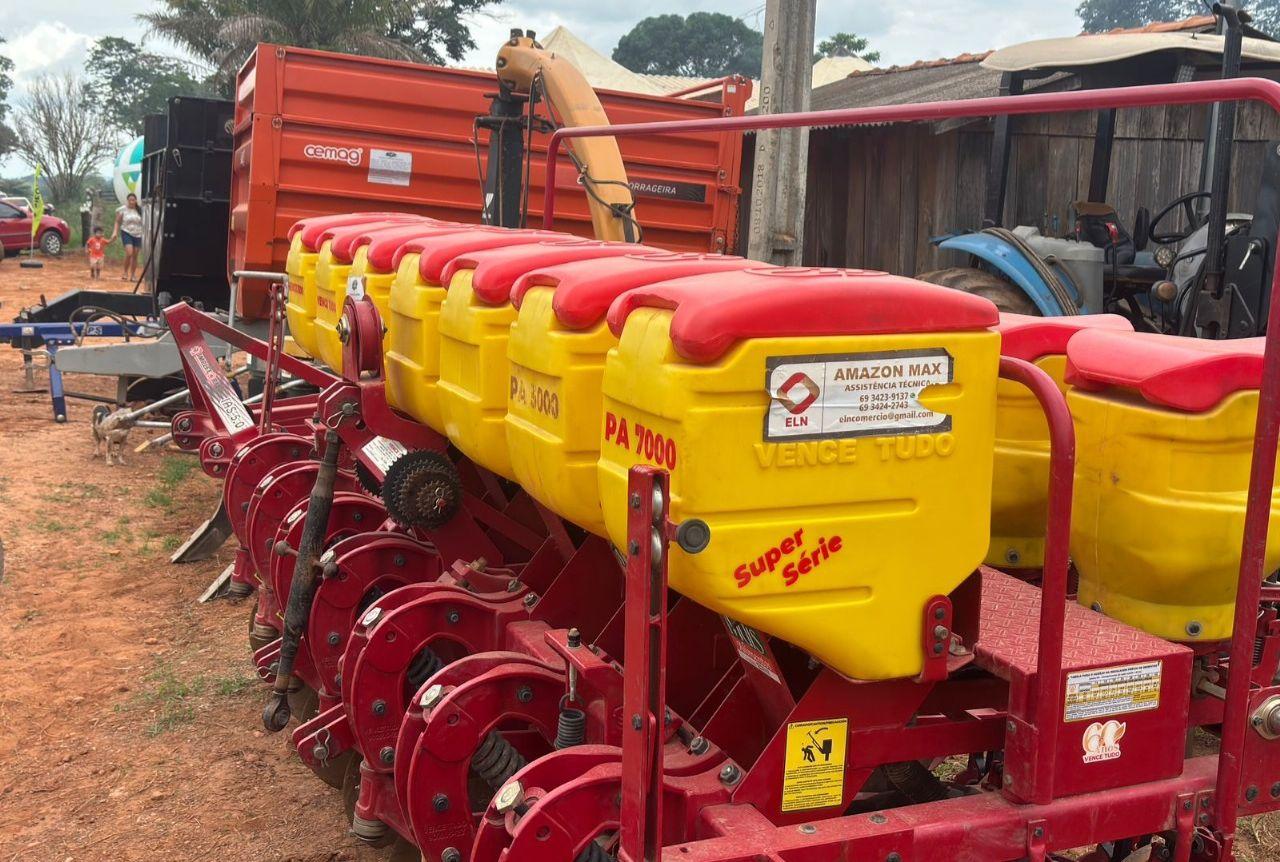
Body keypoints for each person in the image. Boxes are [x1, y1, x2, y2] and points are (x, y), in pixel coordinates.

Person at [110, 192, 144, 282]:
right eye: (130, 200)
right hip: (126, 232)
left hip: (138, 234)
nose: (132, 202)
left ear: (136, 200)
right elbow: (117, 222)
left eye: (133, 200)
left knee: (135, 255)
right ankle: (125, 272)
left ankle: (133, 275)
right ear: (127, 200)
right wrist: (115, 232)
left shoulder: (140, 210)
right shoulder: (122, 210)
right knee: (129, 253)